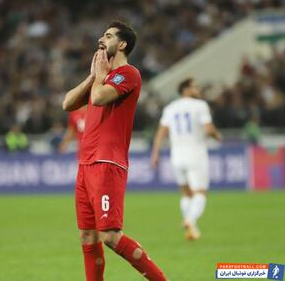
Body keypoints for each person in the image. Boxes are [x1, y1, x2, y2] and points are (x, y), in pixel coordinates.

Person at [62, 21, 167, 281]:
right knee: (87, 236)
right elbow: (67, 103)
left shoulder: (129, 74)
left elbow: (98, 98)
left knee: (109, 236)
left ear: (121, 44)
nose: (101, 38)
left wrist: (99, 77)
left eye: (108, 36)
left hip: (108, 163)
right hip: (86, 165)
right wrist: (93, 76)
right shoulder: (101, 77)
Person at [151, 78, 222, 240]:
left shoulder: (170, 108)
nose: (198, 89)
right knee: (200, 193)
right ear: (185, 89)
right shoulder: (200, 106)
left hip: (176, 156)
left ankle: (192, 229)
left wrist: (155, 153)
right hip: (196, 154)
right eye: (194, 87)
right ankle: (190, 220)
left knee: (186, 194)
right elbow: (209, 129)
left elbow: (161, 132)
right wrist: (217, 136)